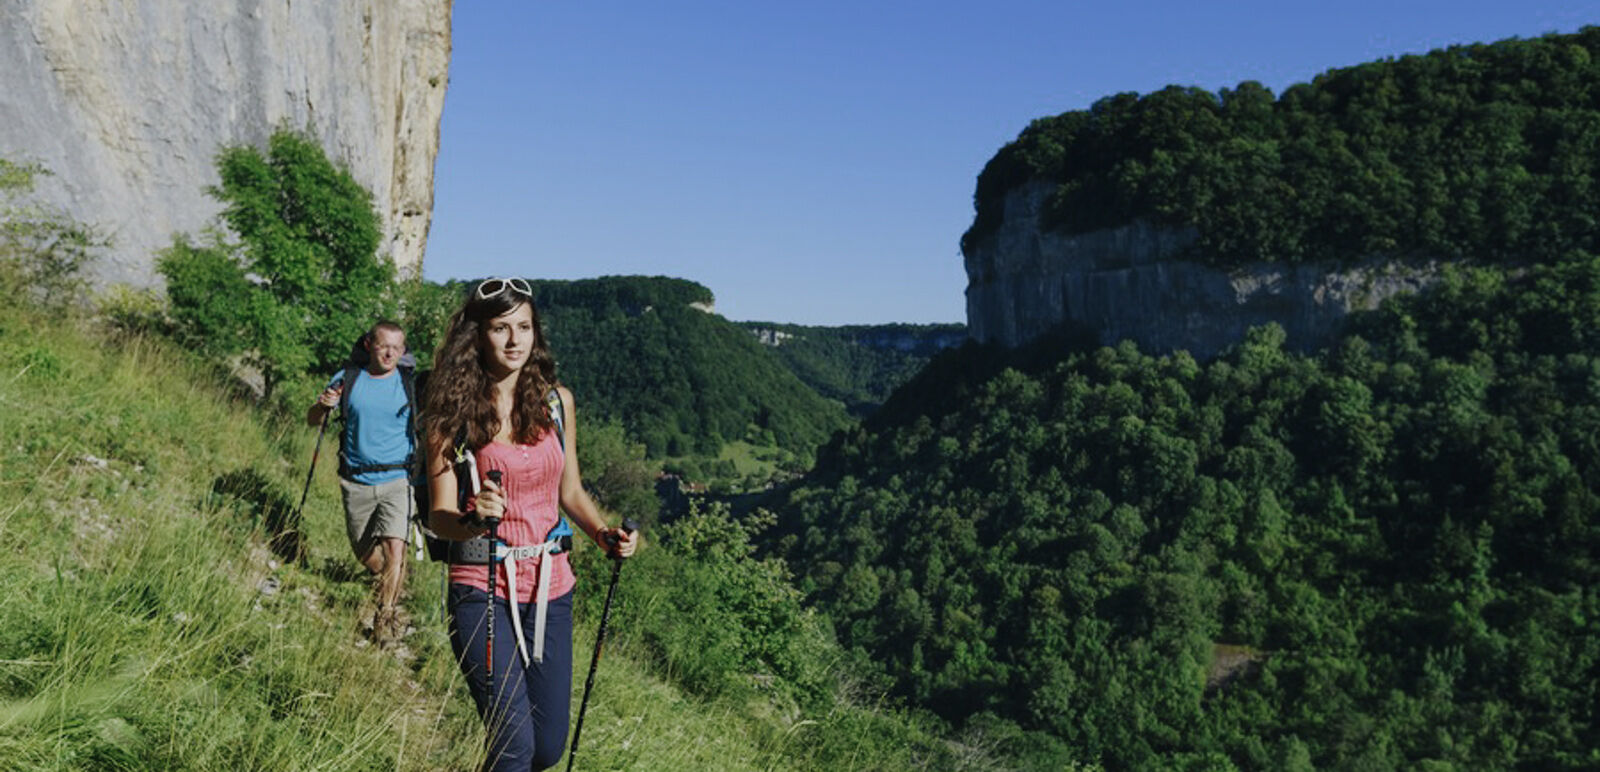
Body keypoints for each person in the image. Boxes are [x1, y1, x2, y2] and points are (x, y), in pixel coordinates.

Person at [420, 277, 638, 771]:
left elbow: (571, 492)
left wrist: (604, 535)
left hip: (550, 589)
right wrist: (474, 518)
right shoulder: (448, 413)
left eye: (524, 327)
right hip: (481, 586)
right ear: (477, 335)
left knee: (546, 749)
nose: (515, 340)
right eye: (501, 328)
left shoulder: (557, 403)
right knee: (513, 746)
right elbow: (440, 516)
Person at [306, 320, 417, 645]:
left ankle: (385, 620)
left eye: (397, 348)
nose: (390, 353)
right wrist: (321, 406)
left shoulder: (408, 384)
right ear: (369, 344)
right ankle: (388, 580)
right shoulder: (348, 380)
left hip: (398, 478)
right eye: (384, 346)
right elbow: (313, 420)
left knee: (396, 548)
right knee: (366, 553)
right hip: (355, 481)